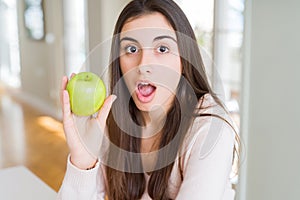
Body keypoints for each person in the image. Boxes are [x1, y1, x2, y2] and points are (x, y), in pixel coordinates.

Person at [57, 0, 240, 199]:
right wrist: (83, 161)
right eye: (131, 49)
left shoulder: (211, 128)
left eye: (162, 49)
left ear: (185, 58)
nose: (143, 65)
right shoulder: (112, 121)